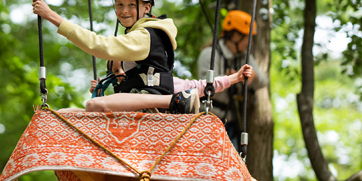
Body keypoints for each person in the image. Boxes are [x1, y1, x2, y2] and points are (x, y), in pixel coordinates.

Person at [32, 0, 196, 113]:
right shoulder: (139, 35)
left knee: (94, 105)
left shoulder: (145, 36)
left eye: (131, 4)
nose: (124, 11)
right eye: (119, 4)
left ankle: (176, 101)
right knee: (64, 114)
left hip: (152, 102)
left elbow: (100, 46)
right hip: (139, 99)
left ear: (147, 8)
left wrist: (52, 17)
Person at [197, 10, 269, 150]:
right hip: (206, 119)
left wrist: (254, 77)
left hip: (230, 121)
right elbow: (204, 90)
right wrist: (228, 80)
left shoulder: (244, 57)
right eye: (249, 38)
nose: (251, 43)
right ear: (236, 35)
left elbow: (264, 81)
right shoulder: (210, 55)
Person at [81, 61, 253, 113]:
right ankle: (54, 116)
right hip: (130, 140)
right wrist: (98, 94)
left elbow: (201, 87)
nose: (120, 75)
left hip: (158, 131)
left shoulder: (160, 82)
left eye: (122, 69)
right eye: (115, 72)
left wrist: (234, 78)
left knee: (93, 106)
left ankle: (173, 101)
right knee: (90, 107)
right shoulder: (121, 96)